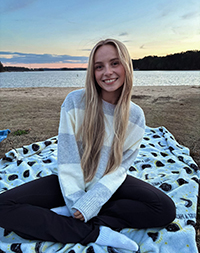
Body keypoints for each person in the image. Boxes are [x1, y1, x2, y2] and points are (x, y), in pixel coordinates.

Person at [0, 39, 176, 252]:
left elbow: (120, 168)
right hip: (69, 181)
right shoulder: (74, 102)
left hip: (109, 183)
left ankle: (62, 219)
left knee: (164, 209)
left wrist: (91, 203)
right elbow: (68, 157)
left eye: (114, 63)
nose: (107, 72)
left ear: (126, 66)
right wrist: (77, 201)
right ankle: (96, 233)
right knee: (2, 206)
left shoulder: (135, 115)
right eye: (99, 67)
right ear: (92, 72)